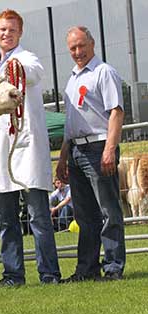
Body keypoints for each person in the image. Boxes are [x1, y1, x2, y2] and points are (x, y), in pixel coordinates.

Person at [0, 9, 61, 286]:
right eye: (3, 30)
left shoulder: (25, 59)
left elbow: (34, 72)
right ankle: (13, 274)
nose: (7, 34)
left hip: (25, 148)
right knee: (6, 219)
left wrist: (14, 68)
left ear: (20, 33)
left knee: (38, 216)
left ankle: (49, 273)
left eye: (12, 30)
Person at [56, 26, 125, 282]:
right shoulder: (73, 78)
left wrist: (109, 148)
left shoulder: (103, 72)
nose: (77, 52)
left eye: (81, 46)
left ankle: (113, 266)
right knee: (84, 215)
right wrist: (63, 156)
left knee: (108, 211)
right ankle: (86, 269)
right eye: (72, 48)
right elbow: (70, 122)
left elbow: (116, 112)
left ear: (92, 44)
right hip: (75, 148)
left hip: (98, 147)